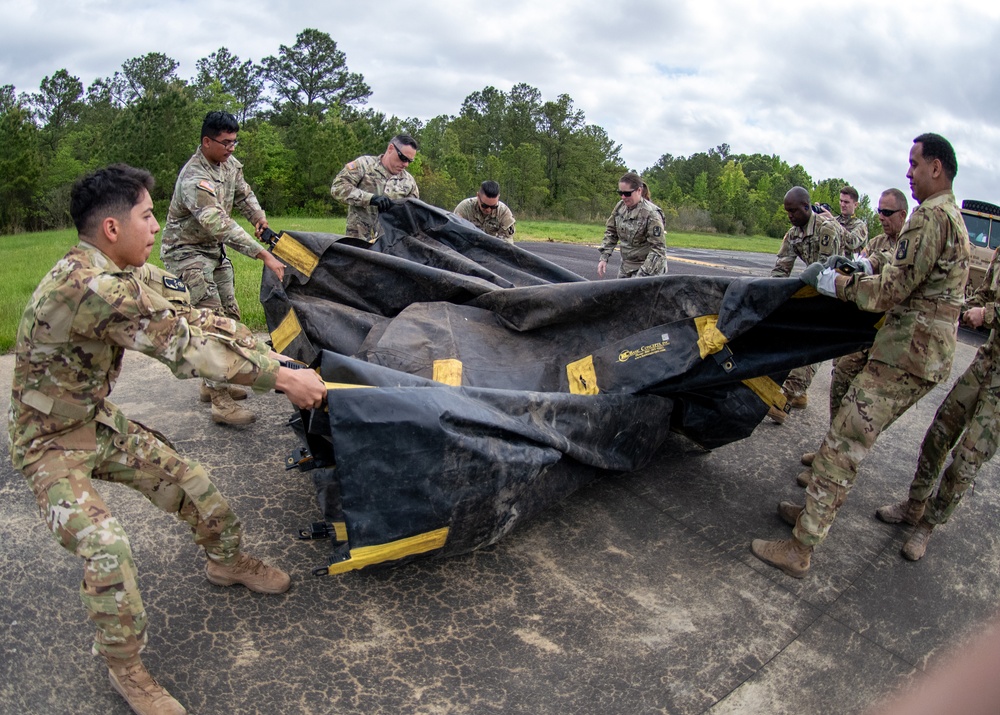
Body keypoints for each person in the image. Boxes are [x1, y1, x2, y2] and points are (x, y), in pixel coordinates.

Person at [8, 164, 328, 714]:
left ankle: (226, 562)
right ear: (112, 228)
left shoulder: (124, 272)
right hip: (48, 441)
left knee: (193, 484)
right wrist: (281, 380)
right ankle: (126, 670)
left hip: (94, 420)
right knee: (107, 549)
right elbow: (181, 347)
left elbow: (196, 318)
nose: (157, 226)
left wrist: (272, 356)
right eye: (147, 215)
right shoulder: (92, 287)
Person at [752, 133, 970, 578]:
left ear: (937, 167)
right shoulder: (950, 216)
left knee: (844, 441)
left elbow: (893, 291)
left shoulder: (930, 217)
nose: (908, 172)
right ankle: (812, 516)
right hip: (919, 353)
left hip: (908, 352)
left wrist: (838, 286)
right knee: (845, 434)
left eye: (914, 163)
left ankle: (801, 548)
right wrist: (866, 268)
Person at [874, 239, 1000, 560]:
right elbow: (984, 294)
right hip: (986, 361)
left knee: (967, 460)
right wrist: (957, 304)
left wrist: (985, 314)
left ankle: (927, 525)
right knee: (939, 432)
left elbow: (987, 309)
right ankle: (915, 505)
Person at [160, 110, 284, 426]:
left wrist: (259, 218)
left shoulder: (228, 165)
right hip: (186, 255)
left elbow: (243, 193)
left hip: (214, 253)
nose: (231, 148)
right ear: (206, 141)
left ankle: (211, 380)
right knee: (211, 323)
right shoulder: (194, 179)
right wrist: (263, 255)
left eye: (234, 141)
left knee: (230, 316)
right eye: (225, 142)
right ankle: (221, 402)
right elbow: (218, 222)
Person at [796, 188, 909, 484]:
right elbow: (865, 265)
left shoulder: (910, 243)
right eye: (879, 212)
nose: (881, 218)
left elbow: (885, 268)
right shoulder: (877, 241)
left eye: (887, 213)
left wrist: (863, 267)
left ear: (903, 214)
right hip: (864, 329)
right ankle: (829, 451)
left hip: (891, 336)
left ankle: (834, 468)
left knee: (861, 407)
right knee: (841, 379)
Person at [767, 187, 843, 421]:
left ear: (806, 207)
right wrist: (771, 298)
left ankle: (787, 397)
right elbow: (781, 269)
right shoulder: (793, 234)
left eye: (793, 211)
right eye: (787, 212)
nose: (790, 215)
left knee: (814, 341)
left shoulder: (826, 229)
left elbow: (828, 271)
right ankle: (799, 394)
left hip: (841, 288)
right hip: (820, 284)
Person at [330, 134, 420, 242]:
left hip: (389, 247)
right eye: (403, 158)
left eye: (409, 161)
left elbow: (413, 216)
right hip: (357, 242)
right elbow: (337, 187)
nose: (405, 164)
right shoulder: (364, 165)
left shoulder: (409, 182)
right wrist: (370, 199)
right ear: (391, 148)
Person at [597, 172, 667, 278]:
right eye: (620, 193)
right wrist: (604, 257)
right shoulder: (620, 207)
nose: (623, 197)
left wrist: (643, 275)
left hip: (649, 269)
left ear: (639, 190)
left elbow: (658, 249)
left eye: (627, 193)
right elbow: (611, 232)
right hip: (626, 266)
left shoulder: (652, 214)